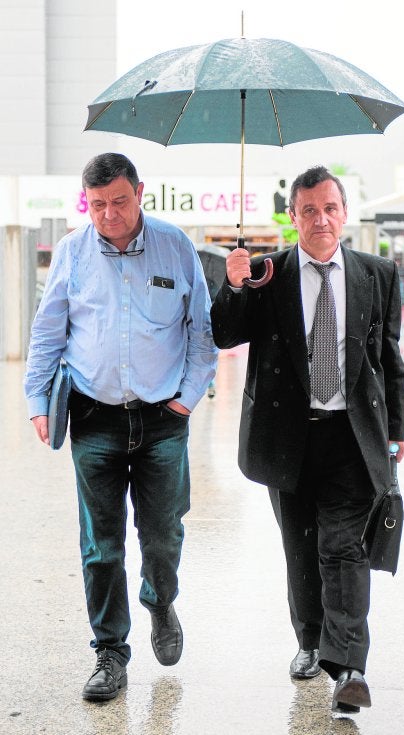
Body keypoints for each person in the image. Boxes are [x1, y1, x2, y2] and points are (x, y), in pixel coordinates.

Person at [210, 166, 404, 715]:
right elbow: (224, 333)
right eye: (308, 210)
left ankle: (349, 667)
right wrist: (233, 285)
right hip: (287, 439)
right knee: (300, 548)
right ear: (292, 216)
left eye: (330, 208)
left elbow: (390, 361)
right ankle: (309, 640)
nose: (321, 219)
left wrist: (397, 429)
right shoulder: (267, 273)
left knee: (342, 548)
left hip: (351, 436)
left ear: (344, 213)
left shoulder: (378, 274)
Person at [24, 153, 217, 702]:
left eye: (119, 201)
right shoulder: (72, 252)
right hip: (93, 418)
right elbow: (47, 331)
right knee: (100, 545)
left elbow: (200, 330)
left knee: (162, 535)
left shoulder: (175, 246)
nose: (108, 214)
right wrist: (38, 399)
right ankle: (110, 653)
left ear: (140, 193)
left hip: (162, 421)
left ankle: (159, 599)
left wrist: (184, 401)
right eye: (98, 204)